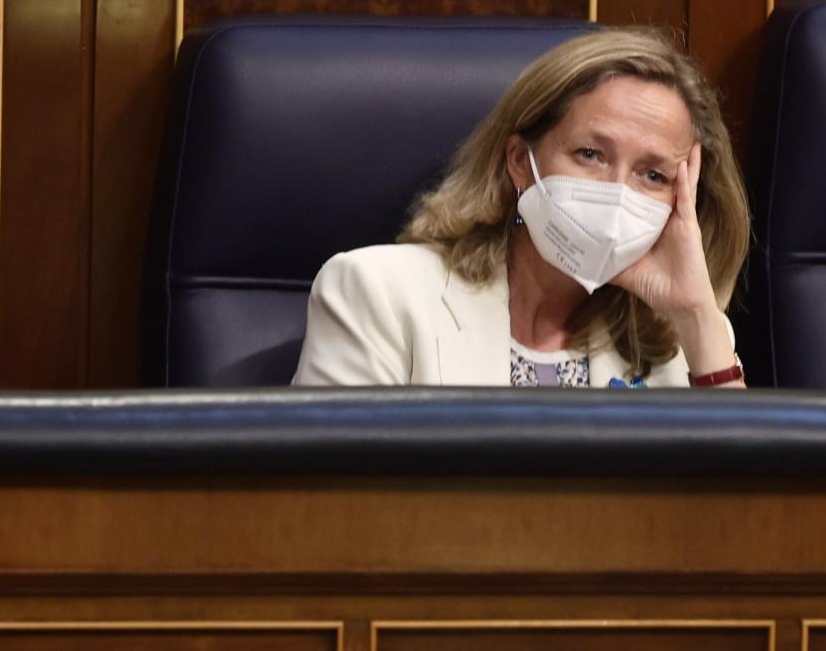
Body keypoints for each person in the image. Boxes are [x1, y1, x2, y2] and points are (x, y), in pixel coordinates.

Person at [293, 27, 750, 389]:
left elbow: (744, 506)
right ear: (520, 162)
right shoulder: (379, 294)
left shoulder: (685, 340)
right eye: (590, 154)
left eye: (653, 175)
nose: (617, 193)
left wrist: (695, 315)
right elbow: (328, 500)